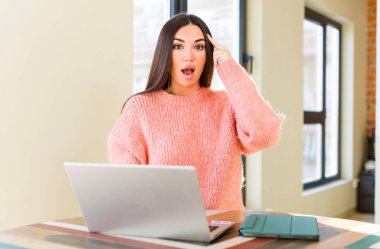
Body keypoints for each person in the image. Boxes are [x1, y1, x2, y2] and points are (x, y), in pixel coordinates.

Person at [107, 13, 284, 210]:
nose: (189, 56)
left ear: (208, 54)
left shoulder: (226, 104)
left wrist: (230, 69)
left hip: (226, 232)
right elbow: (127, 188)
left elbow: (265, 136)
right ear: (166, 52)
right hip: (165, 232)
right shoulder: (139, 108)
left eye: (199, 47)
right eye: (178, 46)